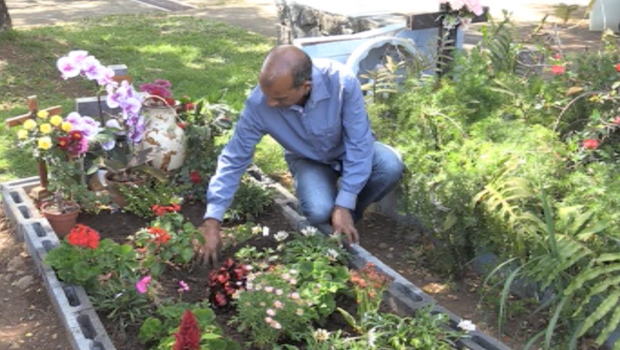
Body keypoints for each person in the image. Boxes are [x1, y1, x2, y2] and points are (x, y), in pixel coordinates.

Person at [196, 45, 404, 266]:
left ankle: (348, 215)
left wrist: (344, 203)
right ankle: (333, 214)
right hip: (307, 159)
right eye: (267, 95)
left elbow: (359, 144)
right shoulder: (258, 105)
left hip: (347, 150)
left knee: (389, 166)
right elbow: (234, 158)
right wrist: (212, 219)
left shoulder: (341, 81)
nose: (270, 104)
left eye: (280, 98)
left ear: (305, 87)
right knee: (317, 211)